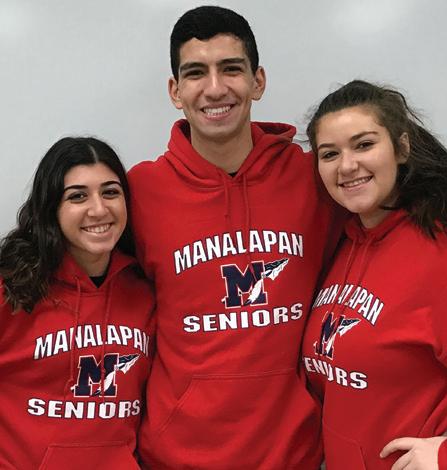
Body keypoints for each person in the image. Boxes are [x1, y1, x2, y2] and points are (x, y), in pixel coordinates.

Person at [128, 5, 342, 469]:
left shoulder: (316, 179)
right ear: (175, 91)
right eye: (195, 73)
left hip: (295, 455)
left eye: (231, 69)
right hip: (175, 457)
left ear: (257, 81)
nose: (215, 88)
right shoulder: (138, 193)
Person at [303, 80, 447, 469]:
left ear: (401, 148)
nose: (347, 165)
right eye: (330, 154)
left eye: (364, 145)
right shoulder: (343, 244)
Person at [0, 137, 155, 470]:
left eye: (110, 192)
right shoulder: (11, 288)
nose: (98, 209)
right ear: (51, 208)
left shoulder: (146, 292)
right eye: (77, 196)